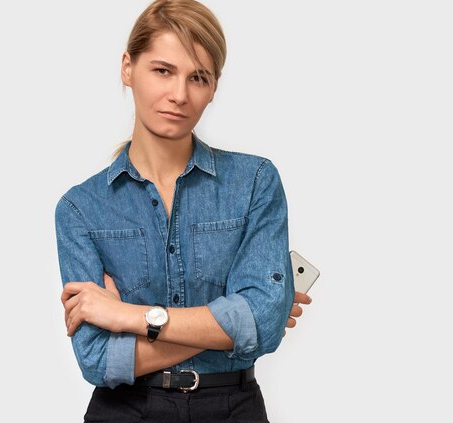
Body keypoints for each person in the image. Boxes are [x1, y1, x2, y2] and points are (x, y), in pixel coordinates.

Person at [55, 1, 312, 421]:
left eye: (198, 77)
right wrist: (235, 322)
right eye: (162, 70)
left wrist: (127, 315)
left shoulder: (254, 182)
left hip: (233, 409)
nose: (179, 94)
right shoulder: (80, 209)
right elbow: (98, 360)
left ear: (213, 88)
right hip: (124, 411)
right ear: (127, 67)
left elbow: (261, 322)